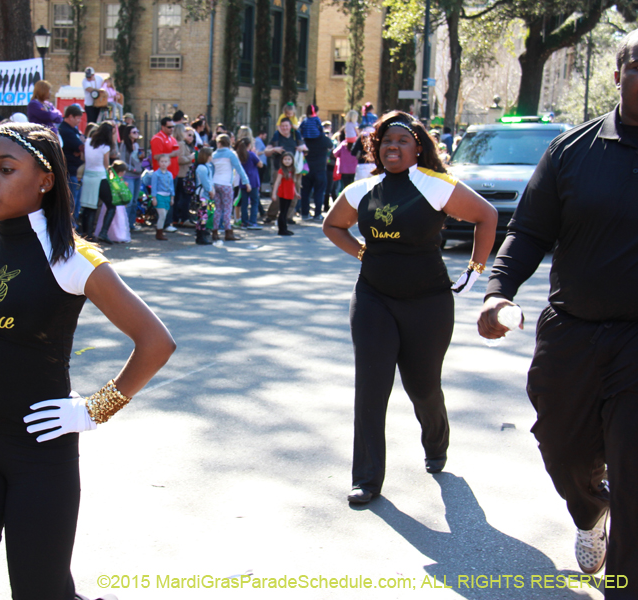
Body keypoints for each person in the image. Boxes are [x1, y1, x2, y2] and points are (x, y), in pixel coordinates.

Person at [0, 121, 175, 600]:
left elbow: (155, 342)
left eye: (5, 169)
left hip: (40, 451)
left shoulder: (74, 259)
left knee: (40, 589)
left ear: (45, 180)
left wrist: (93, 410)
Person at [477, 30, 638, 588]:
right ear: (617, 75)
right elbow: (528, 232)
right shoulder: (572, 151)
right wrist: (499, 291)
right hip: (572, 333)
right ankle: (591, 510)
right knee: (563, 449)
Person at [322, 111, 497, 505]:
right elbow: (332, 225)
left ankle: (436, 442)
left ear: (418, 147)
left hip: (427, 303)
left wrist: (475, 269)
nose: (393, 147)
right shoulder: (363, 189)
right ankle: (366, 478)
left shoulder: (435, 185)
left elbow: (486, 216)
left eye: (402, 141)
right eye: (386, 141)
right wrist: (362, 252)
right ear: (376, 149)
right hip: (373, 299)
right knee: (371, 387)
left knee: (423, 387)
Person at [263, 117, 306, 223]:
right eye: (282, 126)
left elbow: (306, 148)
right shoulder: (276, 136)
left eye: (286, 126)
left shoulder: (296, 136)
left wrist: (302, 148)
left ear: (290, 126)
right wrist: (274, 149)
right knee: (278, 193)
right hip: (279, 169)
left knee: (294, 193)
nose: (284, 128)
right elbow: (266, 151)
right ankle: (271, 215)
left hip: (294, 170)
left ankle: (288, 216)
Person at [210, 133, 250, 241]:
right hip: (226, 185)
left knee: (217, 209)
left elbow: (211, 171)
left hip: (215, 184)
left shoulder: (213, 155)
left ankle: (214, 232)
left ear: (218, 143)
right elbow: (239, 168)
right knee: (227, 209)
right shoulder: (231, 154)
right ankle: (228, 232)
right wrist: (246, 182)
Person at [79, 121, 114, 240]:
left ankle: (87, 234)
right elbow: (106, 164)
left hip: (88, 176)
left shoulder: (88, 142)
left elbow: (83, 158)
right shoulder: (105, 146)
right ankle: (103, 232)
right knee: (111, 205)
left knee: (89, 206)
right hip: (100, 177)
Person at [59, 104, 85, 224]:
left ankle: (73, 226)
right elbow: (81, 146)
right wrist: (80, 149)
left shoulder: (73, 130)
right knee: (71, 203)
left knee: (76, 203)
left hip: (76, 171)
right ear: (70, 116)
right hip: (69, 171)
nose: (79, 121)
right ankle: (71, 227)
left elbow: (82, 145)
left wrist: (80, 149)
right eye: (78, 118)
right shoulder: (65, 131)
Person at [118, 125, 144, 228]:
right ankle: (124, 225)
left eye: (137, 131)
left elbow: (138, 160)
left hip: (138, 176)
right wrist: (133, 169)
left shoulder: (137, 145)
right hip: (129, 176)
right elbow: (122, 161)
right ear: (128, 134)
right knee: (129, 201)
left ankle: (131, 224)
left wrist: (141, 159)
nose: (136, 133)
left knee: (134, 201)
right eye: (134, 132)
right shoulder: (124, 145)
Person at [170, 124, 195, 230]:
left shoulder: (180, 143)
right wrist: (191, 157)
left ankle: (178, 218)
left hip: (181, 173)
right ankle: (183, 219)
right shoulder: (180, 143)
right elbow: (180, 159)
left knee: (179, 198)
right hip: (182, 174)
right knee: (184, 198)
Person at [236, 137, 263, 230]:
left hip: (243, 181)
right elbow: (260, 164)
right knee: (254, 201)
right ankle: (252, 221)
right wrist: (256, 153)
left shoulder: (239, 155)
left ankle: (244, 222)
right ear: (249, 145)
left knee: (244, 203)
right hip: (253, 181)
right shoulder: (251, 154)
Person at [271, 152, 299, 236]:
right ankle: (281, 229)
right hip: (283, 193)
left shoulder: (292, 170)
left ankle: (285, 228)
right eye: (285, 159)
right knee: (282, 212)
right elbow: (277, 182)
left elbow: (293, 183)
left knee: (286, 211)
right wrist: (274, 193)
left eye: (289, 159)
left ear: (292, 160)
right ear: (282, 161)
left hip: (290, 193)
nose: (287, 161)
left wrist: (296, 193)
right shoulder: (282, 170)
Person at [150, 154, 174, 241]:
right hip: (159, 196)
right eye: (162, 161)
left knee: (165, 215)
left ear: (169, 163)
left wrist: (172, 197)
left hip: (167, 196)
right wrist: (154, 198)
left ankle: (160, 231)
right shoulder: (156, 174)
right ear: (158, 162)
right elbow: (154, 186)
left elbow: (171, 187)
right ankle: (159, 233)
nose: (164, 163)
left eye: (165, 161)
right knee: (162, 215)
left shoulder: (169, 174)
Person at [193, 147, 214, 245]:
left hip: (207, 195)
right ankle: (200, 235)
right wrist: (210, 190)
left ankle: (205, 232)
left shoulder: (207, 166)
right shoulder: (202, 168)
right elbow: (205, 182)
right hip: (203, 195)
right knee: (203, 216)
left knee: (209, 213)